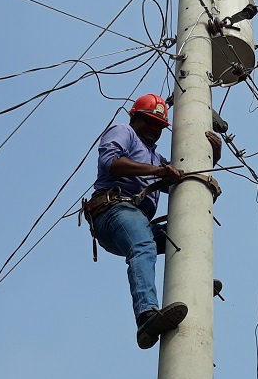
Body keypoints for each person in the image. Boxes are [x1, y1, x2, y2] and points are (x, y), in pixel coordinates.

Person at [84, 94, 222, 349]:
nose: (154, 129)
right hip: (113, 210)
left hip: (137, 219)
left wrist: (210, 156)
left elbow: (185, 179)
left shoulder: (156, 157)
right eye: (149, 122)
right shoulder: (123, 131)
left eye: (159, 126)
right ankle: (146, 317)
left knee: (190, 231)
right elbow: (110, 163)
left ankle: (196, 283)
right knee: (144, 246)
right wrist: (157, 171)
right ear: (135, 117)